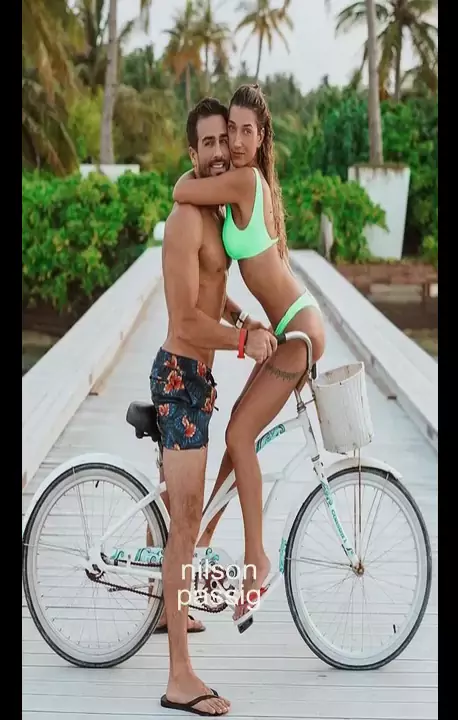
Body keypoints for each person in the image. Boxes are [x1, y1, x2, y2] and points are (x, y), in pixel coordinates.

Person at [172, 83, 326, 626]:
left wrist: (192, 170)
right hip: (288, 329)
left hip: (299, 332)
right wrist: (241, 320)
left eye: (244, 132)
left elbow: (181, 190)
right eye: (229, 130)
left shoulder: (243, 180)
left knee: (239, 436)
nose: (234, 142)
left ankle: (255, 562)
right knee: (237, 433)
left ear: (261, 138)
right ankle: (202, 545)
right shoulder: (248, 182)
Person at [151, 96, 277, 717]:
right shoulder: (184, 221)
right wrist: (240, 342)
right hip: (179, 380)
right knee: (185, 524)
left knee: (185, 511)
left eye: (225, 141)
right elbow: (182, 319)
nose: (221, 152)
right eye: (208, 144)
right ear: (192, 152)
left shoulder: (215, 209)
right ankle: (180, 677)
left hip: (198, 381)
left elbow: (210, 288)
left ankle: (163, 604)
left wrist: (239, 316)